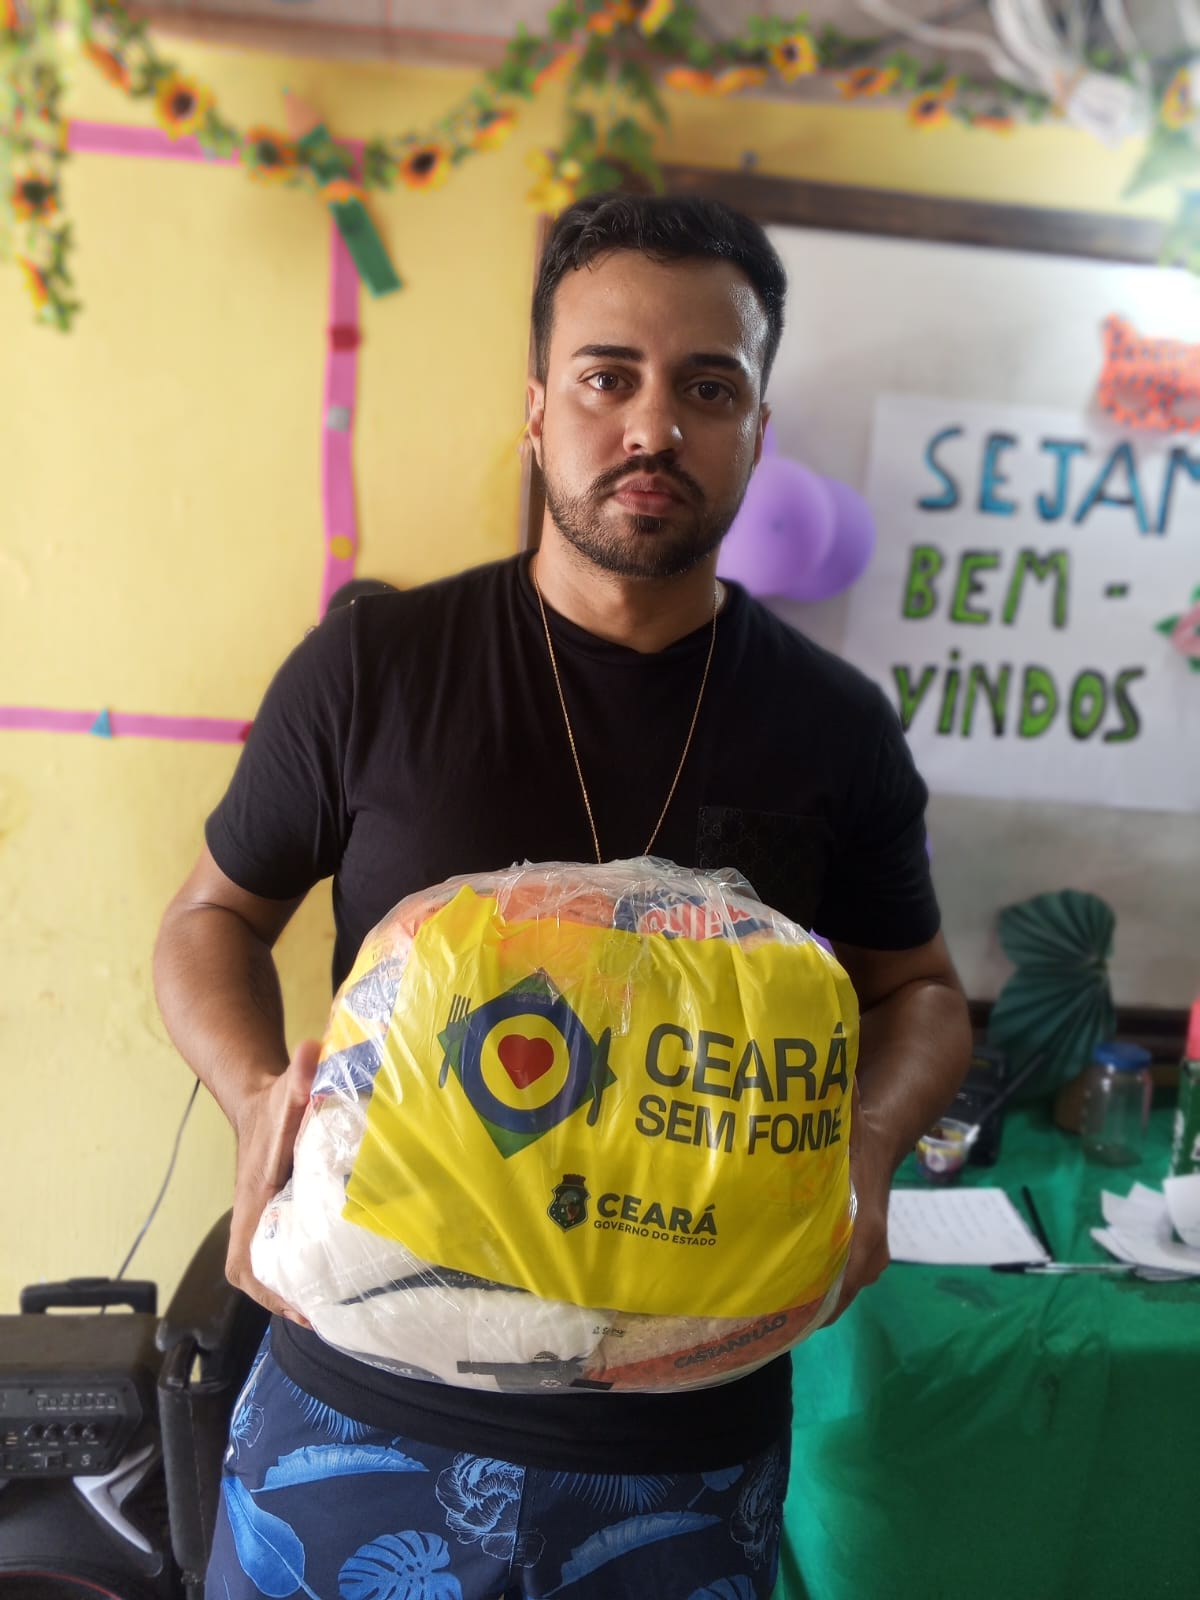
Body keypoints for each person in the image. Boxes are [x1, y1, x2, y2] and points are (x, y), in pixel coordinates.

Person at [154, 191, 971, 1600]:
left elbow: (923, 993)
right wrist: (252, 1095)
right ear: (538, 411)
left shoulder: (834, 728)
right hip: (358, 1410)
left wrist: (873, 1145)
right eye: (608, 377)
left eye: (708, 388)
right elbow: (208, 920)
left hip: (681, 1450)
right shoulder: (374, 670)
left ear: (757, 429)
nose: (654, 427)